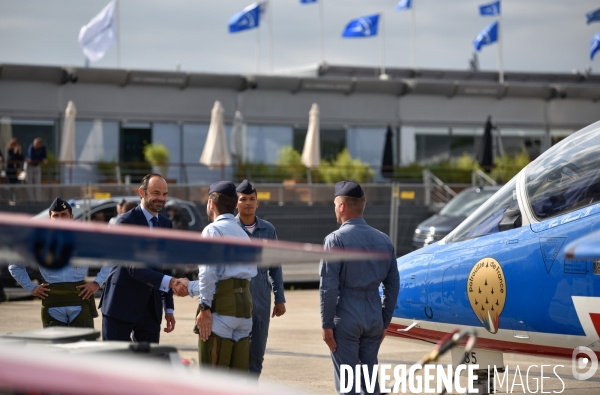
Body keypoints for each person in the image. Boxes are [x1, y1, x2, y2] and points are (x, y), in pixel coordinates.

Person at [319, 181, 400, 395]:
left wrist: (326, 323)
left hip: (345, 316)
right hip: (373, 316)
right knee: (370, 383)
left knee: (348, 384)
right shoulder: (384, 240)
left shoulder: (335, 240)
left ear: (343, 206)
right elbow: (393, 285)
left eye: (335, 204)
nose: (334, 208)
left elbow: (329, 286)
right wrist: (384, 320)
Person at [174, 181, 257, 372]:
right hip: (244, 311)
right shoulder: (243, 234)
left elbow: (209, 273)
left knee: (212, 379)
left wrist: (204, 307)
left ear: (211, 203)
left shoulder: (213, 230)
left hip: (221, 312)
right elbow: (230, 278)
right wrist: (190, 286)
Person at [99, 174, 186, 343]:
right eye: (156, 193)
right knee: (114, 365)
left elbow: (165, 266)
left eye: (165, 194)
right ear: (142, 192)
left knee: (149, 365)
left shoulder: (166, 224)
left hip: (150, 310)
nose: (161, 198)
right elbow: (134, 268)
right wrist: (172, 282)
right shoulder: (125, 222)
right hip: (120, 306)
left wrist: (168, 308)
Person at [8, 197, 112, 327]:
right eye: (56, 215)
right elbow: (15, 266)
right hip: (53, 304)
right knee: (55, 346)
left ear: (71, 217)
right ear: (50, 218)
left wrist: (97, 283)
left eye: (63, 215)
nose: (60, 218)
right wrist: (31, 287)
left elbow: (111, 258)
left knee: (83, 344)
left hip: (79, 301)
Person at [234, 179, 286, 378]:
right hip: (235, 296)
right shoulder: (228, 229)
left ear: (257, 203)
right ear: (236, 203)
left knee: (257, 352)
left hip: (262, 298)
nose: (248, 203)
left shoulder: (268, 230)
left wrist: (280, 298)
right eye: (243, 199)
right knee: (236, 352)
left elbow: (275, 266)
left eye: (251, 199)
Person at [25, 137, 47, 202]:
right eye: (34, 143)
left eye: (36, 144)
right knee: (29, 183)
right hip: (29, 166)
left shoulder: (43, 148)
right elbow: (32, 157)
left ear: (40, 144)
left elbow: (44, 157)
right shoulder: (31, 147)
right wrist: (41, 159)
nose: (35, 145)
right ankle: (31, 199)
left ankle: (38, 200)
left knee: (38, 183)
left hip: (37, 166)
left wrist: (39, 159)